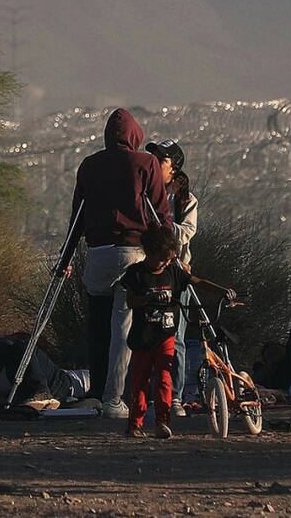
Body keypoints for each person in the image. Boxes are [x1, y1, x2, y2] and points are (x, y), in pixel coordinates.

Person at [71, 108, 172, 419]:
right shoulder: (146, 163)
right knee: (122, 329)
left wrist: (65, 258)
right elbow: (160, 211)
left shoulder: (89, 165)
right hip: (132, 253)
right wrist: (169, 249)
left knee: (98, 325)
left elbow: (77, 216)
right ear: (134, 135)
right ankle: (115, 399)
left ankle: (96, 391)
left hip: (98, 254)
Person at [118, 226, 234, 439]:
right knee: (139, 382)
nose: (166, 263)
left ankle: (163, 422)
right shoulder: (136, 274)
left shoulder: (172, 271)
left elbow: (196, 281)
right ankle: (135, 424)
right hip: (142, 337)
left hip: (166, 336)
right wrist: (150, 299)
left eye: (169, 259)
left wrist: (222, 291)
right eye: (163, 258)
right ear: (150, 253)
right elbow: (131, 301)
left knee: (164, 378)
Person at [146, 141, 200, 419]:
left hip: (176, 274)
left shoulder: (184, 202)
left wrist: (161, 224)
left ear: (173, 168)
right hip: (151, 274)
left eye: (161, 160)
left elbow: (185, 234)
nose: (154, 164)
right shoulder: (146, 195)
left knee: (174, 337)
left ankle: (174, 396)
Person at [0, 334, 90, 407]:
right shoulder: (100, 373)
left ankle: (41, 391)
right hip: (58, 378)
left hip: (63, 385)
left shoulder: (105, 384)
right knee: (4, 346)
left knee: (25, 347)